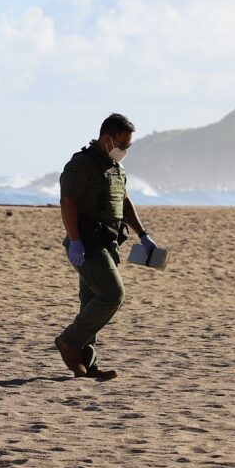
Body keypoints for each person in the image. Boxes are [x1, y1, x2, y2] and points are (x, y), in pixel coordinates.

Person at [55, 113, 158, 382]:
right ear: (107, 137)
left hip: (107, 242)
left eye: (128, 146)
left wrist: (143, 235)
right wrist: (75, 240)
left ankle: (87, 365)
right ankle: (69, 341)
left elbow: (124, 202)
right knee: (113, 294)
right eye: (122, 144)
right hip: (86, 243)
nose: (124, 150)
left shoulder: (116, 168)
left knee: (90, 303)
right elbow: (67, 202)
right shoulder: (82, 165)